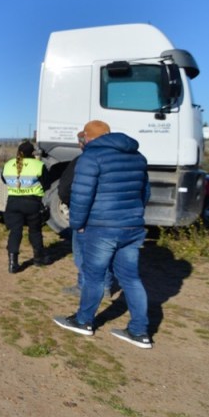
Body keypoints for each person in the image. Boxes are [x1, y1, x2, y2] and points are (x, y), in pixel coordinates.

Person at [53, 120, 153, 349]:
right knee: (131, 279)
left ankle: (83, 321)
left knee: (94, 277)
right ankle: (140, 332)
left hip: (101, 228)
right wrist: (132, 215)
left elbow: (81, 195)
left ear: (88, 137)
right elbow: (145, 193)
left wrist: (77, 224)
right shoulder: (137, 157)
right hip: (132, 227)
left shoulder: (91, 157)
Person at [57, 128, 116, 297]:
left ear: (85, 142)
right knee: (106, 252)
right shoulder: (120, 159)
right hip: (111, 216)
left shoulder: (82, 161)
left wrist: (73, 206)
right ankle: (105, 287)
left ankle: (84, 286)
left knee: (83, 253)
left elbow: (64, 189)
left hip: (87, 216)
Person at [2, 140, 50, 273]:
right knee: (35, 231)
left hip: (13, 203)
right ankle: (39, 259)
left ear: (18, 152)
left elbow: (4, 180)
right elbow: (47, 184)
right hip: (32, 203)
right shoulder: (38, 165)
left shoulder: (8, 164)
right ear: (32, 153)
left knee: (15, 232)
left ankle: (12, 264)